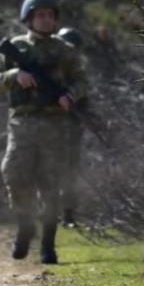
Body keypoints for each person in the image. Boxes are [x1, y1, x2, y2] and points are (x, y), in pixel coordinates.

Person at [0, 0, 87, 264]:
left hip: (55, 124)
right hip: (22, 122)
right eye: (40, 15)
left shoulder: (65, 51)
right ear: (29, 19)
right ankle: (25, 224)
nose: (45, 20)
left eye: (50, 15)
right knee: (15, 175)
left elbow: (82, 80)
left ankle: (48, 244)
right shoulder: (16, 46)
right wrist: (14, 76)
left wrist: (70, 96)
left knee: (50, 185)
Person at [56, 27, 85, 228]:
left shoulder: (77, 74)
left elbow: (84, 97)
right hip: (49, 126)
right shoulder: (52, 70)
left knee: (70, 172)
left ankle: (68, 214)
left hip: (71, 128)